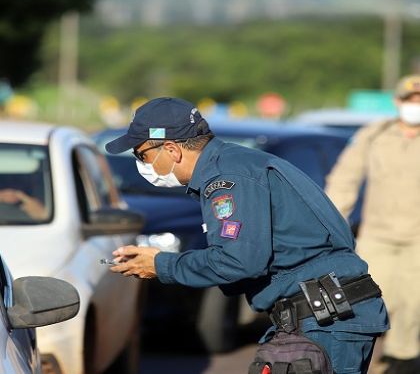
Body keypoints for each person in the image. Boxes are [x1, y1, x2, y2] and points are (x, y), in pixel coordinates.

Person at [105, 97, 389, 373]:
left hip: (325, 320)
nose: (141, 164)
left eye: (142, 155)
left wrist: (161, 265)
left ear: (171, 150)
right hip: (323, 315)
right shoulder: (233, 165)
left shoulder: (228, 178)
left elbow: (238, 261)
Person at [325, 74, 420, 374]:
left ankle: (401, 363)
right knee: (367, 301)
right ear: (398, 102)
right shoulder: (374, 135)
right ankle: (365, 362)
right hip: (377, 235)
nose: (415, 106)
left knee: (412, 307)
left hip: (417, 238)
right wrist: (331, 227)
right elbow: (344, 181)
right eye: (410, 100)